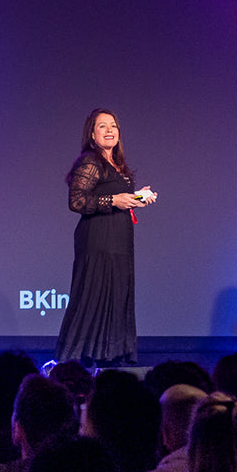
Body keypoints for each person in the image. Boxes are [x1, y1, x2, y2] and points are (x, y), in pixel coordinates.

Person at [54, 108, 155, 367]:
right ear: (91, 134)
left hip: (119, 243)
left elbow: (118, 200)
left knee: (116, 296)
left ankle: (110, 359)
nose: (110, 130)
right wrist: (113, 199)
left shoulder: (117, 165)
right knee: (91, 297)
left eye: (113, 126)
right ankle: (71, 365)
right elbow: (77, 201)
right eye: (102, 126)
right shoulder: (90, 161)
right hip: (97, 242)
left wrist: (136, 197)